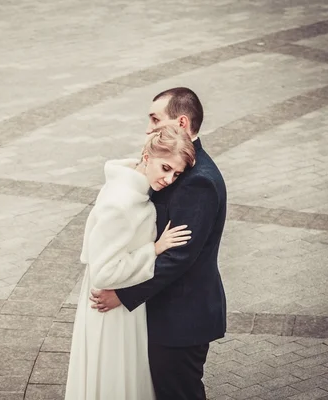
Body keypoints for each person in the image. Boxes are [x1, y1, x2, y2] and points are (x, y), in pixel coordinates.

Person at [91, 87, 228, 400]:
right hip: (168, 313)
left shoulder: (199, 181)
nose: (149, 128)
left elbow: (179, 257)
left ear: (181, 122)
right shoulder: (178, 162)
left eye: (155, 119)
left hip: (182, 318)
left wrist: (123, 295)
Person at [64, 125, 196, 400]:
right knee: (114, 381)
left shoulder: (130, 189)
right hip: (110, 311)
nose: (169, 179)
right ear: (147, 156)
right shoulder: (120, 203)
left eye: (176, 173)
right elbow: (103, 272)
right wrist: (154, 249)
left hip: (123, 307)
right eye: (165, 167)